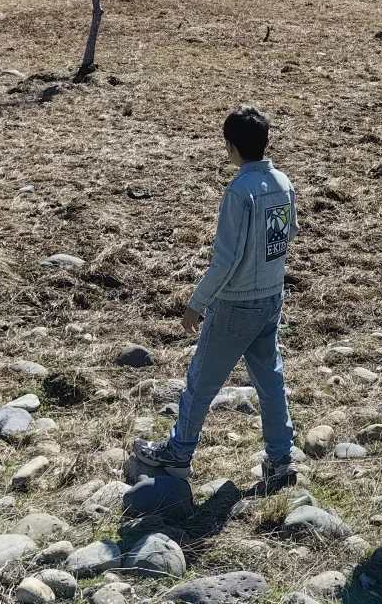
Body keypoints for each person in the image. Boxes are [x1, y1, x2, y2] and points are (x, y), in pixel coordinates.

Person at [133, 106, 298, 498]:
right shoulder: (282, 182)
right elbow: (288, 234)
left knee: (200, 382)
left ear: (230, 147)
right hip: (272, 295)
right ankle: (281, 457)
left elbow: (227, 259)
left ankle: (178, 451)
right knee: (270, 379)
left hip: (236, 302)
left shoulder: (238, 193)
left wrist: (197, 301)